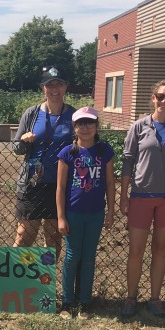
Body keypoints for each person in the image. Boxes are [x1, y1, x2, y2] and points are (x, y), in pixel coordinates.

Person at [119, 79, 165, 319]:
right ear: (153, 98)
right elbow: (128, 161)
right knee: (136, 250)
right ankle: (131, 297)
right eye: (160, 96)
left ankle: (155, 298)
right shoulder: (139, 127)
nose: (163, 101)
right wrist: (124, 196)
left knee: (160, 250)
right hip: (141, 196)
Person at [56, 107, 116, 318]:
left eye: (90, 123)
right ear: (74, 128)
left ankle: (85, 302)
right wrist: (61, 217)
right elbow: (61, 187)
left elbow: (110, 183)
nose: (85, 128)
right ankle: (67, 302)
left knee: (89, 257)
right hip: (73, 213)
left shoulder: (104, 151)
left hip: (95, 213)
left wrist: (110, 212)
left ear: (97, 126)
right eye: (80, 124)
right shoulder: (67, 153)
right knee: (72, 256)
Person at [12, 68, 75, 258]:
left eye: (59, 84)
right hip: (32, 183)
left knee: (53, 239)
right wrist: (24, 140)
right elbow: (16, 148)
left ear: (65, 87)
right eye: (50, 85)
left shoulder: (73, 115)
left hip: (60, 185)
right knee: (24, 237)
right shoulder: (32, 114)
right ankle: (15, 274)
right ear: (43, 88)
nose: (55, 89)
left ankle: (44, 277)